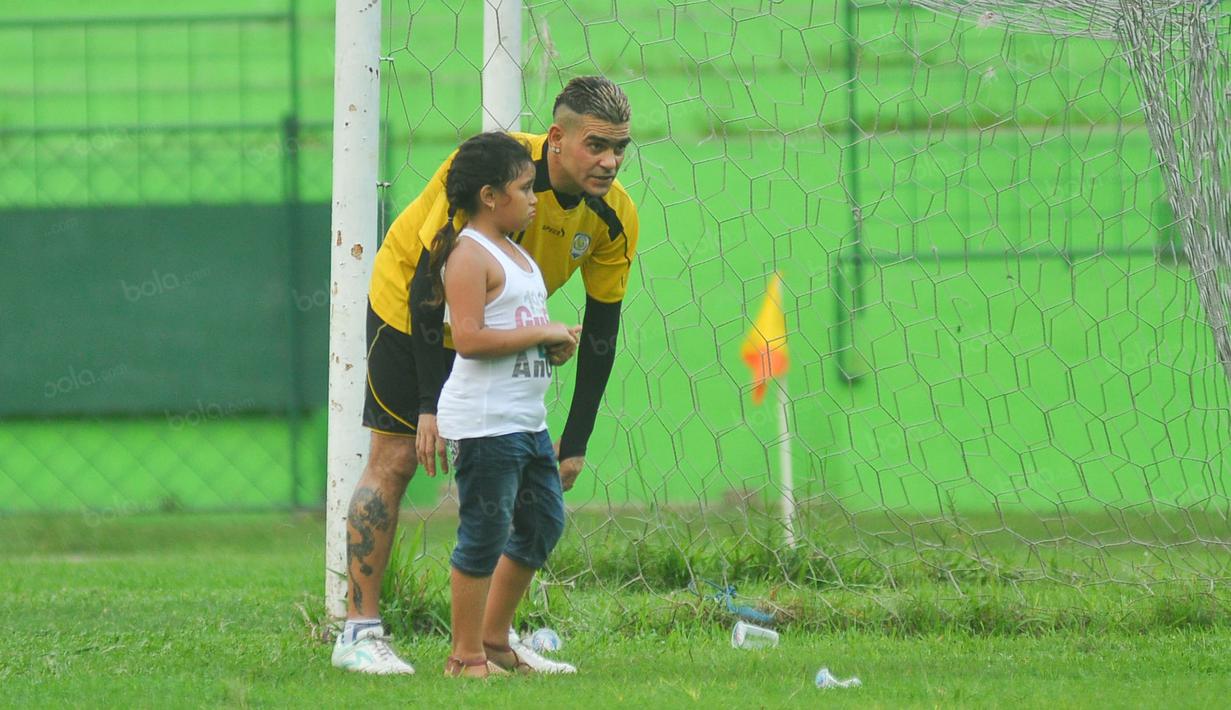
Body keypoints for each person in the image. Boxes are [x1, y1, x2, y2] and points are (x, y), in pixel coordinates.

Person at [332, 75, 638, 675]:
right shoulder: (493, 171)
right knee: (395, 459)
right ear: (556, 139)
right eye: (597, 145)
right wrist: (429, 405)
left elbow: (602, 329)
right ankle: (359, 630)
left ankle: (493, 642)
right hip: (413, 312)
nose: (610, 161)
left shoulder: (614, 215)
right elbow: (429, 285)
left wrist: (575, 441)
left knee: (526, 492)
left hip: (496, 334)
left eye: (620, 147)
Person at [426, 131, 579, 677]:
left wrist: (554, 344)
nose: (535, 198)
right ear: (489, 196)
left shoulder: (519, 255)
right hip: (486, 425)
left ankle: (494, 641)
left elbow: (515, 327)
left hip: (527, 422)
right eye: (524, 188)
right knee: (484, 535)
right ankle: (464, 656)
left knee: (542, 523)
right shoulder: (469, 255)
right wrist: (542, 331)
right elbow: (468, 339)